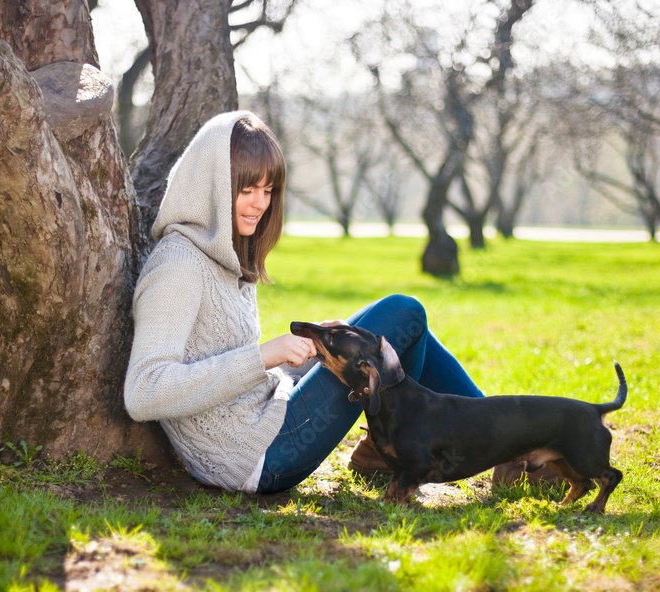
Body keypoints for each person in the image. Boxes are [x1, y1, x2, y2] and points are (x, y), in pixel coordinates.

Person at [124, 110, 484, 494]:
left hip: (267, 421)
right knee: (403, 312)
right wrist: (265, 355)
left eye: (268, 190)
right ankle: (502, 439)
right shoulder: (177, 264)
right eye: (246, 189)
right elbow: (144, 392)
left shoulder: (222, 255)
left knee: (380, 326)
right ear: (210, 184)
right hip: (254, 457)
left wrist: (311, 352)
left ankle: (391, 449)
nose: (259, 204)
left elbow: (235, 381)